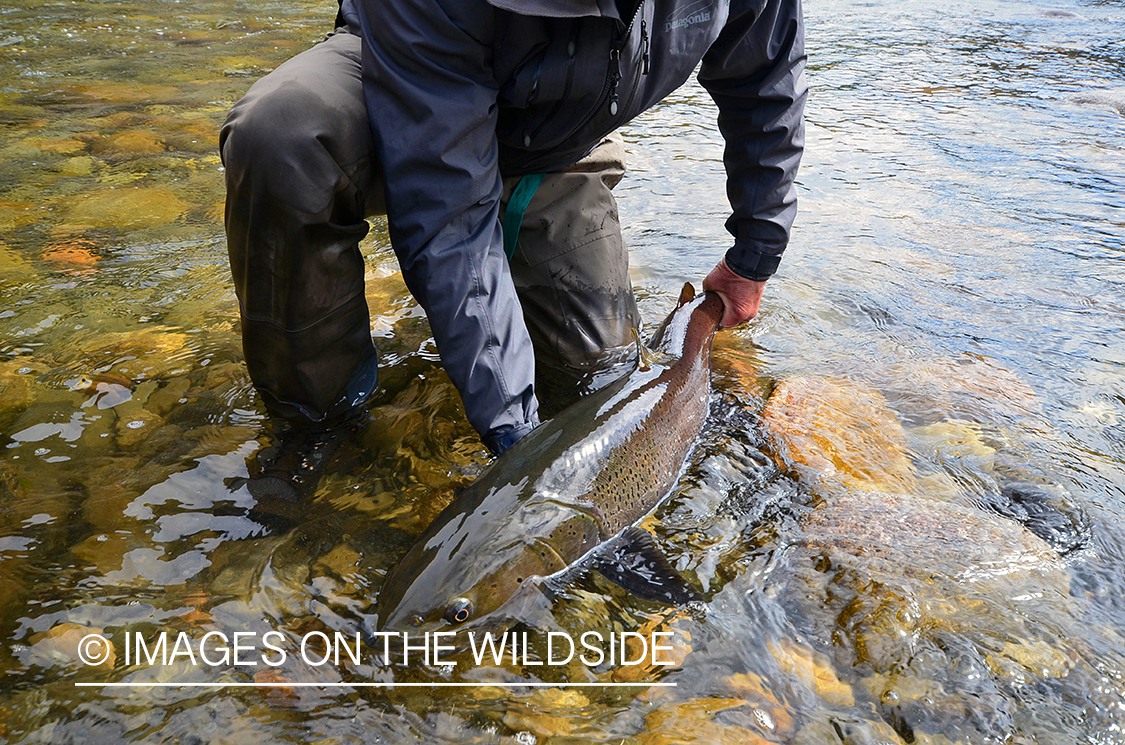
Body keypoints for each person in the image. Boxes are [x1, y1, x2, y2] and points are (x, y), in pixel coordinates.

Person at [220, 0, 805, 457]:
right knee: (283, 135)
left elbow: (767, 78)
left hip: (558, 145)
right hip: (406, 90)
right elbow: (448, 212)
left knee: (605, 392)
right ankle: (318, 432)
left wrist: (754, 255)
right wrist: (513, 436)